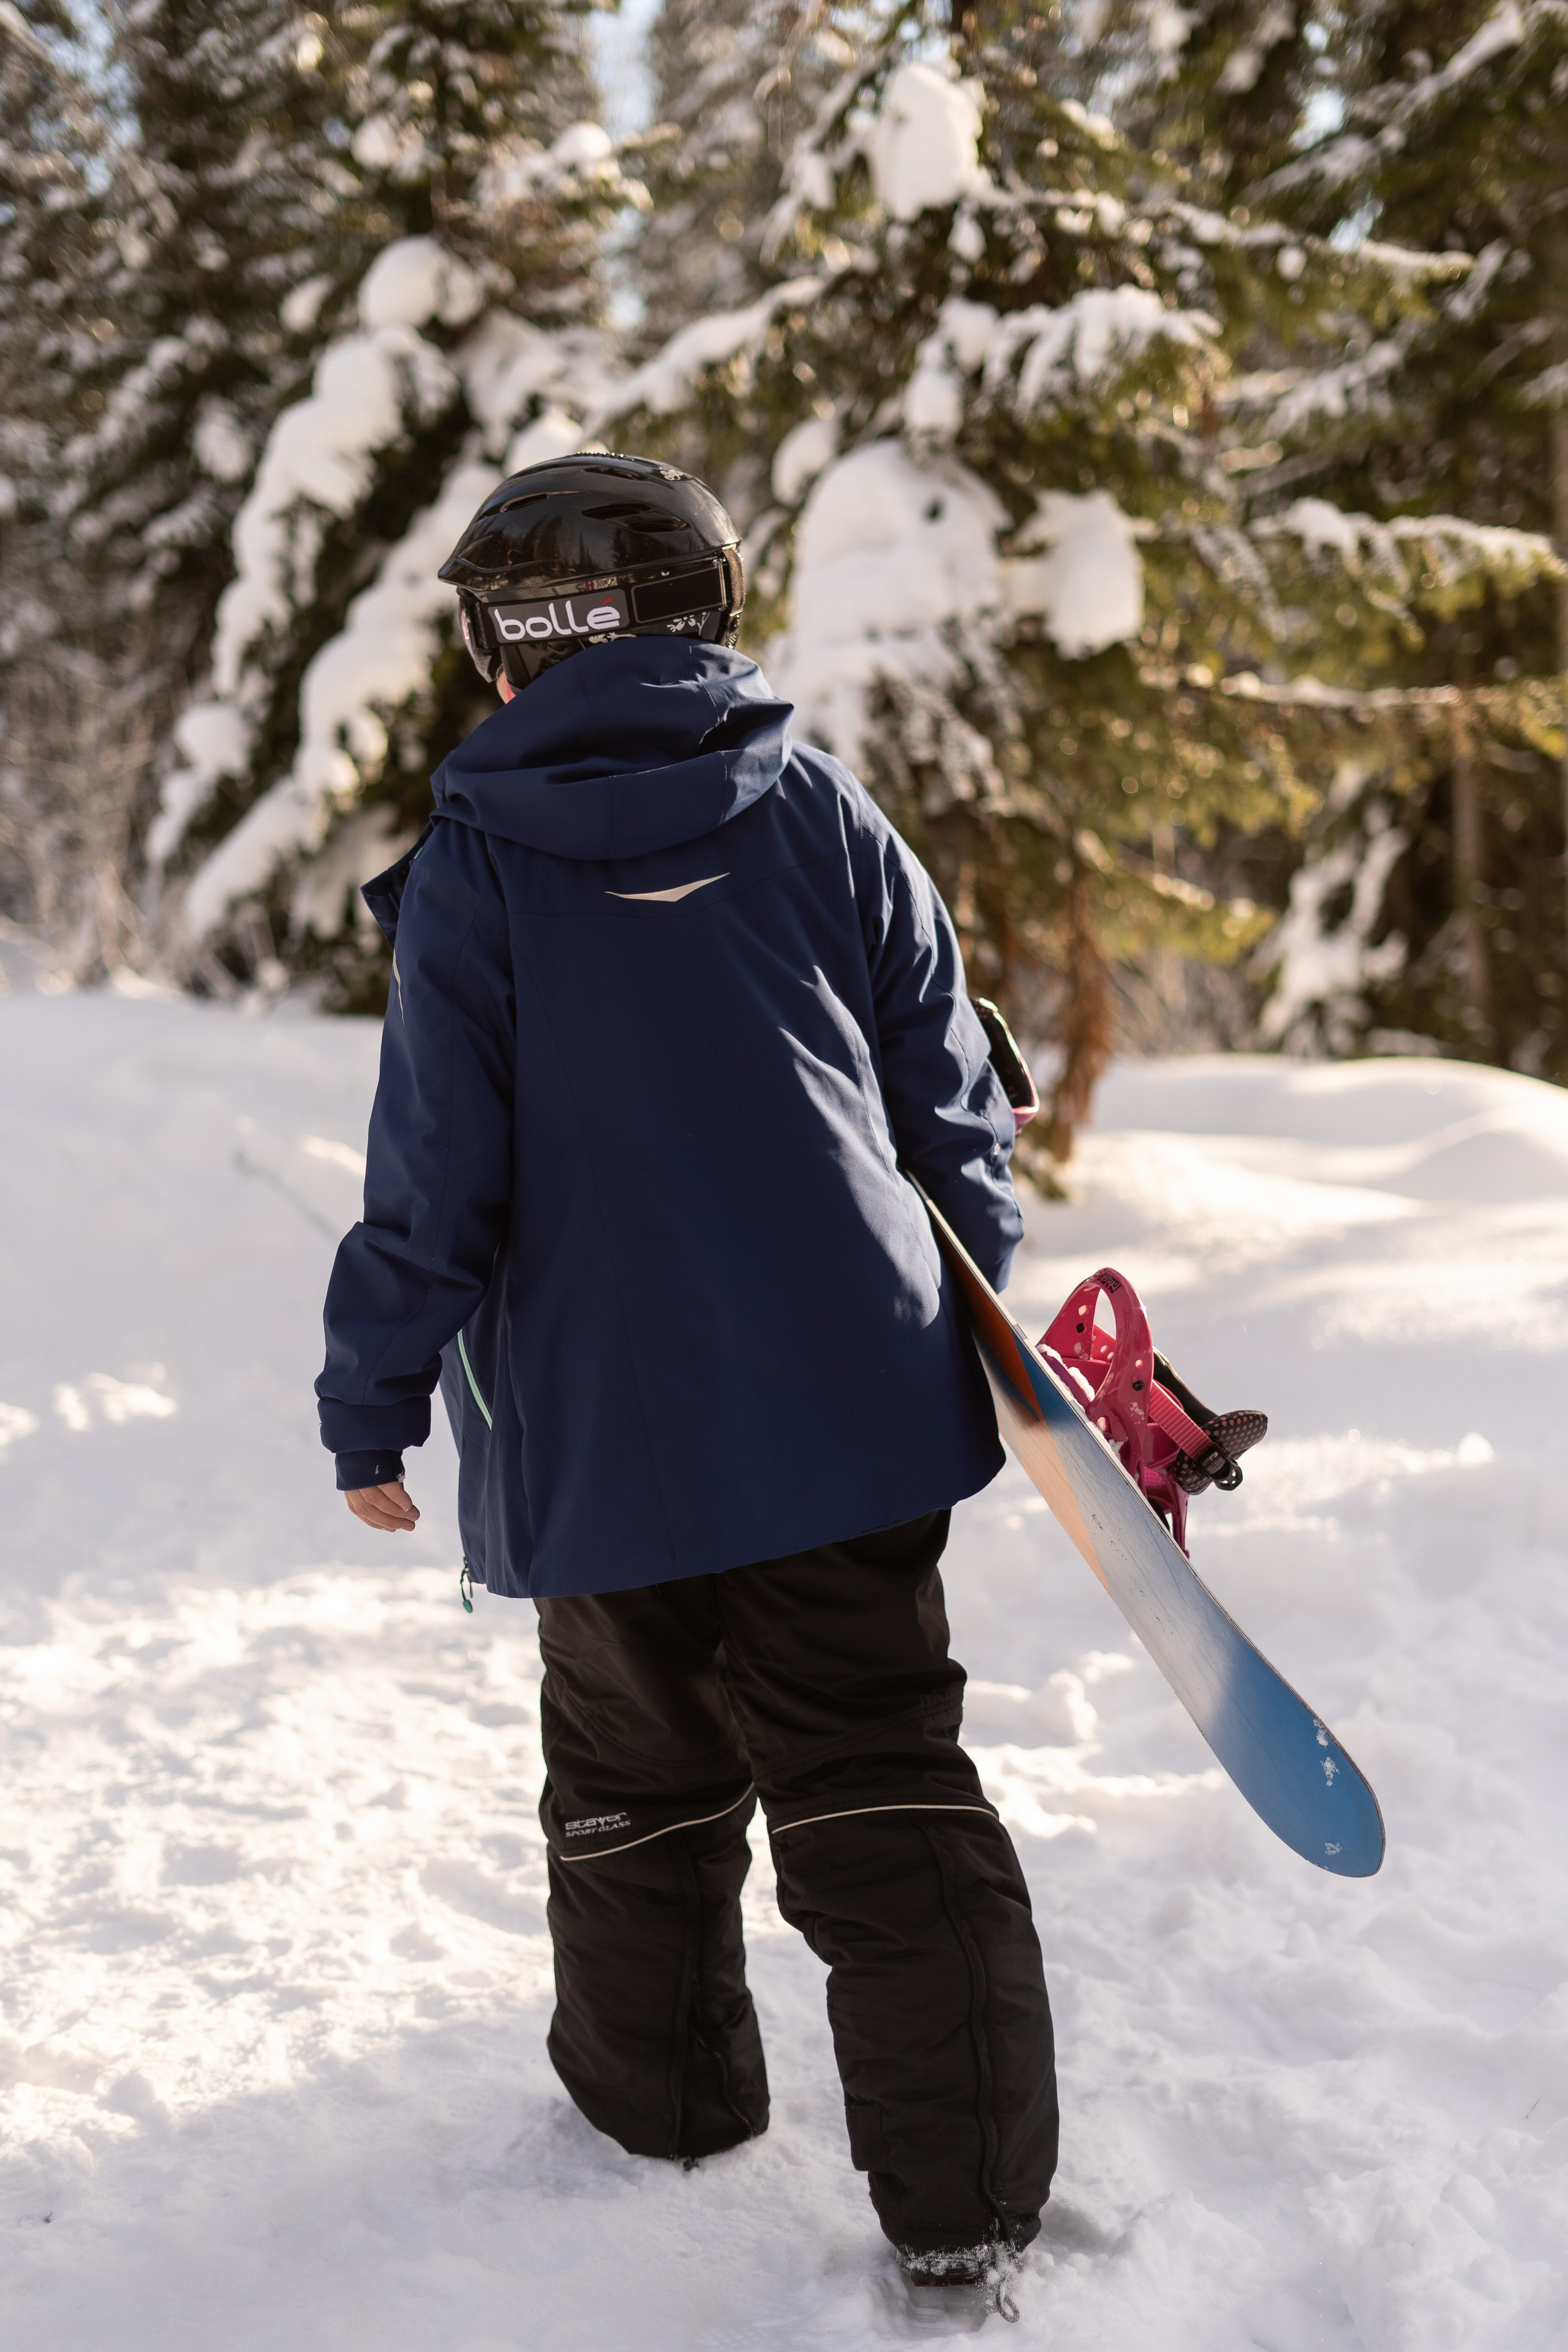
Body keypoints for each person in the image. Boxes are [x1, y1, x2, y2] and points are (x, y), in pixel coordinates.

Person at [317, 453, 1058, 2293]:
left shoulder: (472, 874)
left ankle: (660, 2107)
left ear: (522, 644)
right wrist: (983, 1290)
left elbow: (432, 1182)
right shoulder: (817, 806)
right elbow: (947, 1084)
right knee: (880, 1776)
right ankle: (960, 2205)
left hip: (601, 1448)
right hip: (849, 1419)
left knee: (635, 1785)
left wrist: (372, 1396)